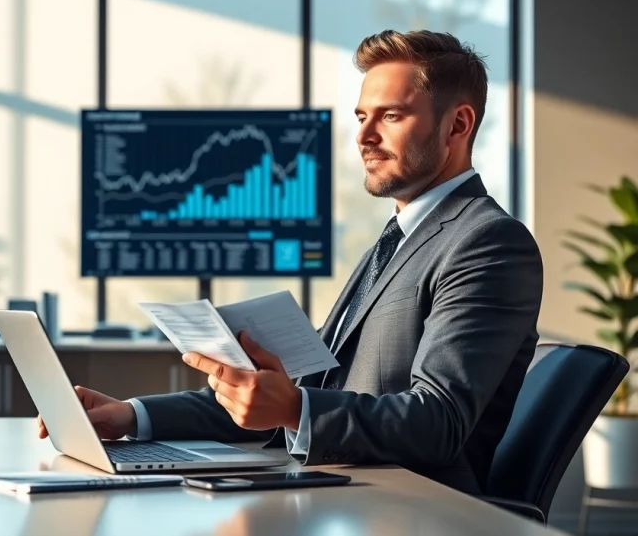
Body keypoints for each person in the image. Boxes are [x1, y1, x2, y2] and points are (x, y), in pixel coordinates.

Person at [38, 29, 543, 495]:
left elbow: (438, 423)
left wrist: (295, 408)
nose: (365, 137)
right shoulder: (397, 241)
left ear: (458, 124)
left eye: (390, 116)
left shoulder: (488, 243)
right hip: (339, 494)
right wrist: (130, 416)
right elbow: (297, 393)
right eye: (361, 117)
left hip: (413, 510)